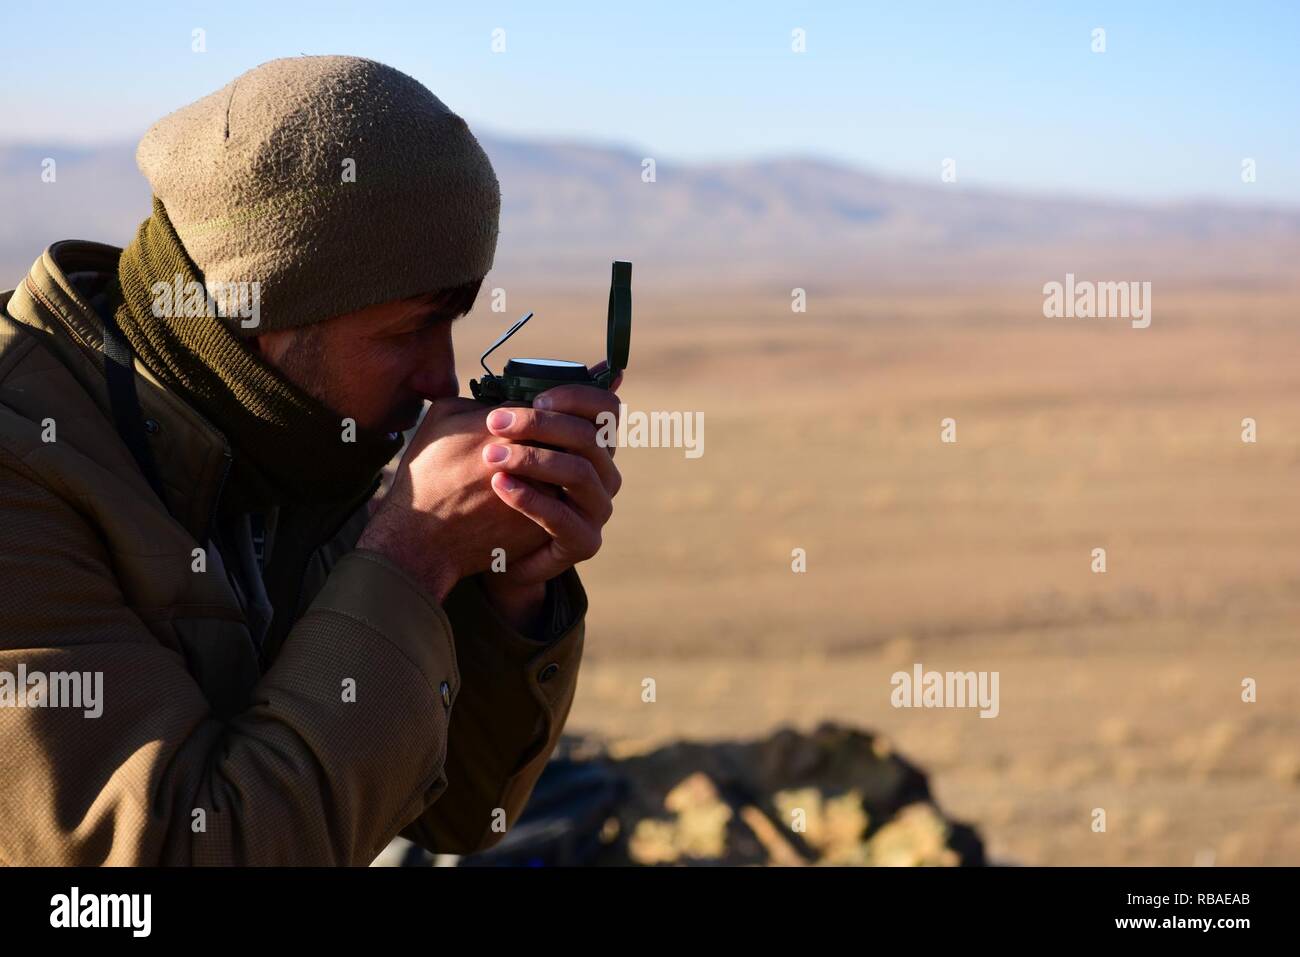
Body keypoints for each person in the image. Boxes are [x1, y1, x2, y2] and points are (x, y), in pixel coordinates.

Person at [0, 55, 622, 865]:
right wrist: (409, 556)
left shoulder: (285, 439)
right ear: (262, 317)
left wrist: (506, 588)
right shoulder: (25, 467)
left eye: (453, 321)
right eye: (406, 331)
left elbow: (460, 815)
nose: (441, 377)